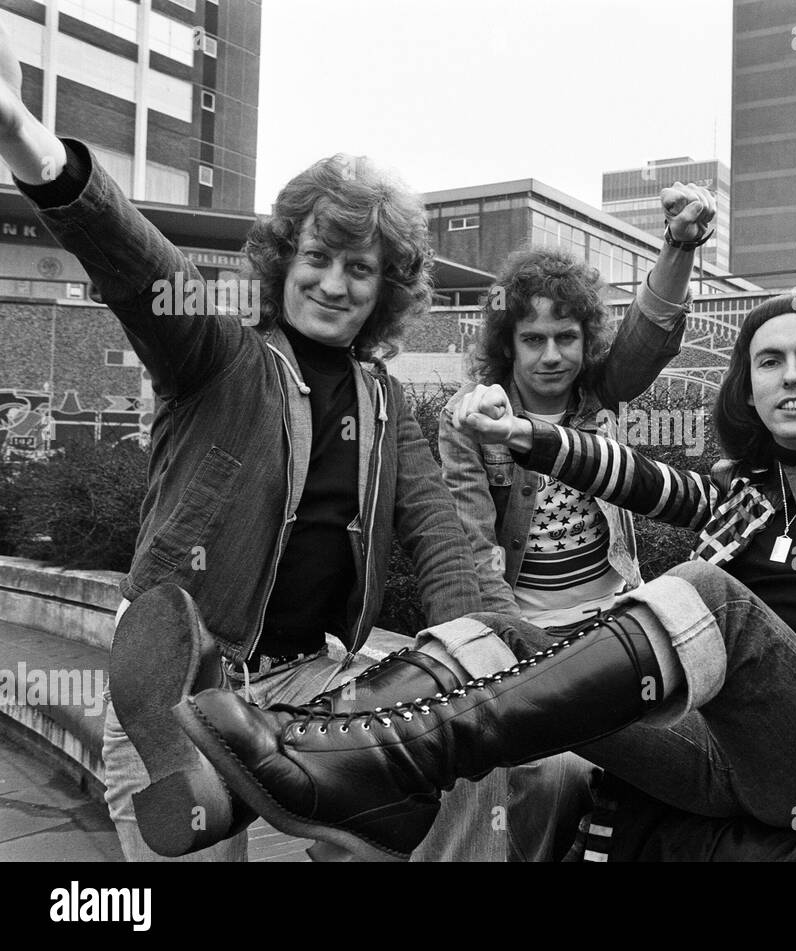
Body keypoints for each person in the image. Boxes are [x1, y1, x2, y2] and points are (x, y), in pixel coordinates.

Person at [174, 294, 796, 862]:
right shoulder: (737, 496)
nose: (791, 375)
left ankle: (358, 760)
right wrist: (525, 436)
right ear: (751, 388)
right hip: (706, 750)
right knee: (506, 633)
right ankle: (310, 751)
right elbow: (632, 474)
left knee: (708, 593)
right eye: (770, 362)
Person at [0, 23, 482, 861]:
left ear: (386, 290)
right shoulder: (221, 357)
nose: (334, 283)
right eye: (319, 256)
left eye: (359, 269)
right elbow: (144, 270)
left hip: (319, 685)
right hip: (183, 686)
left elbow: (439, 537)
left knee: (473, 776)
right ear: (284, 258)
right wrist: (29, 143)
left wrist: (496, 646)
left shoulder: (387, 399)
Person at [424, 194, 716, 861]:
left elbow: (650, 334)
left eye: (567, 338)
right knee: (552, 774)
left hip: (615, 620)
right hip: (524, 628)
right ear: (508, 344)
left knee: (665, 753)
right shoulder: (470, 422)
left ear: (587, 341)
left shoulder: (599, 397)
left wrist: (679, 246)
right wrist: (520, 652)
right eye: (533, 339)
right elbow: (473, 550)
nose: (552, 355)